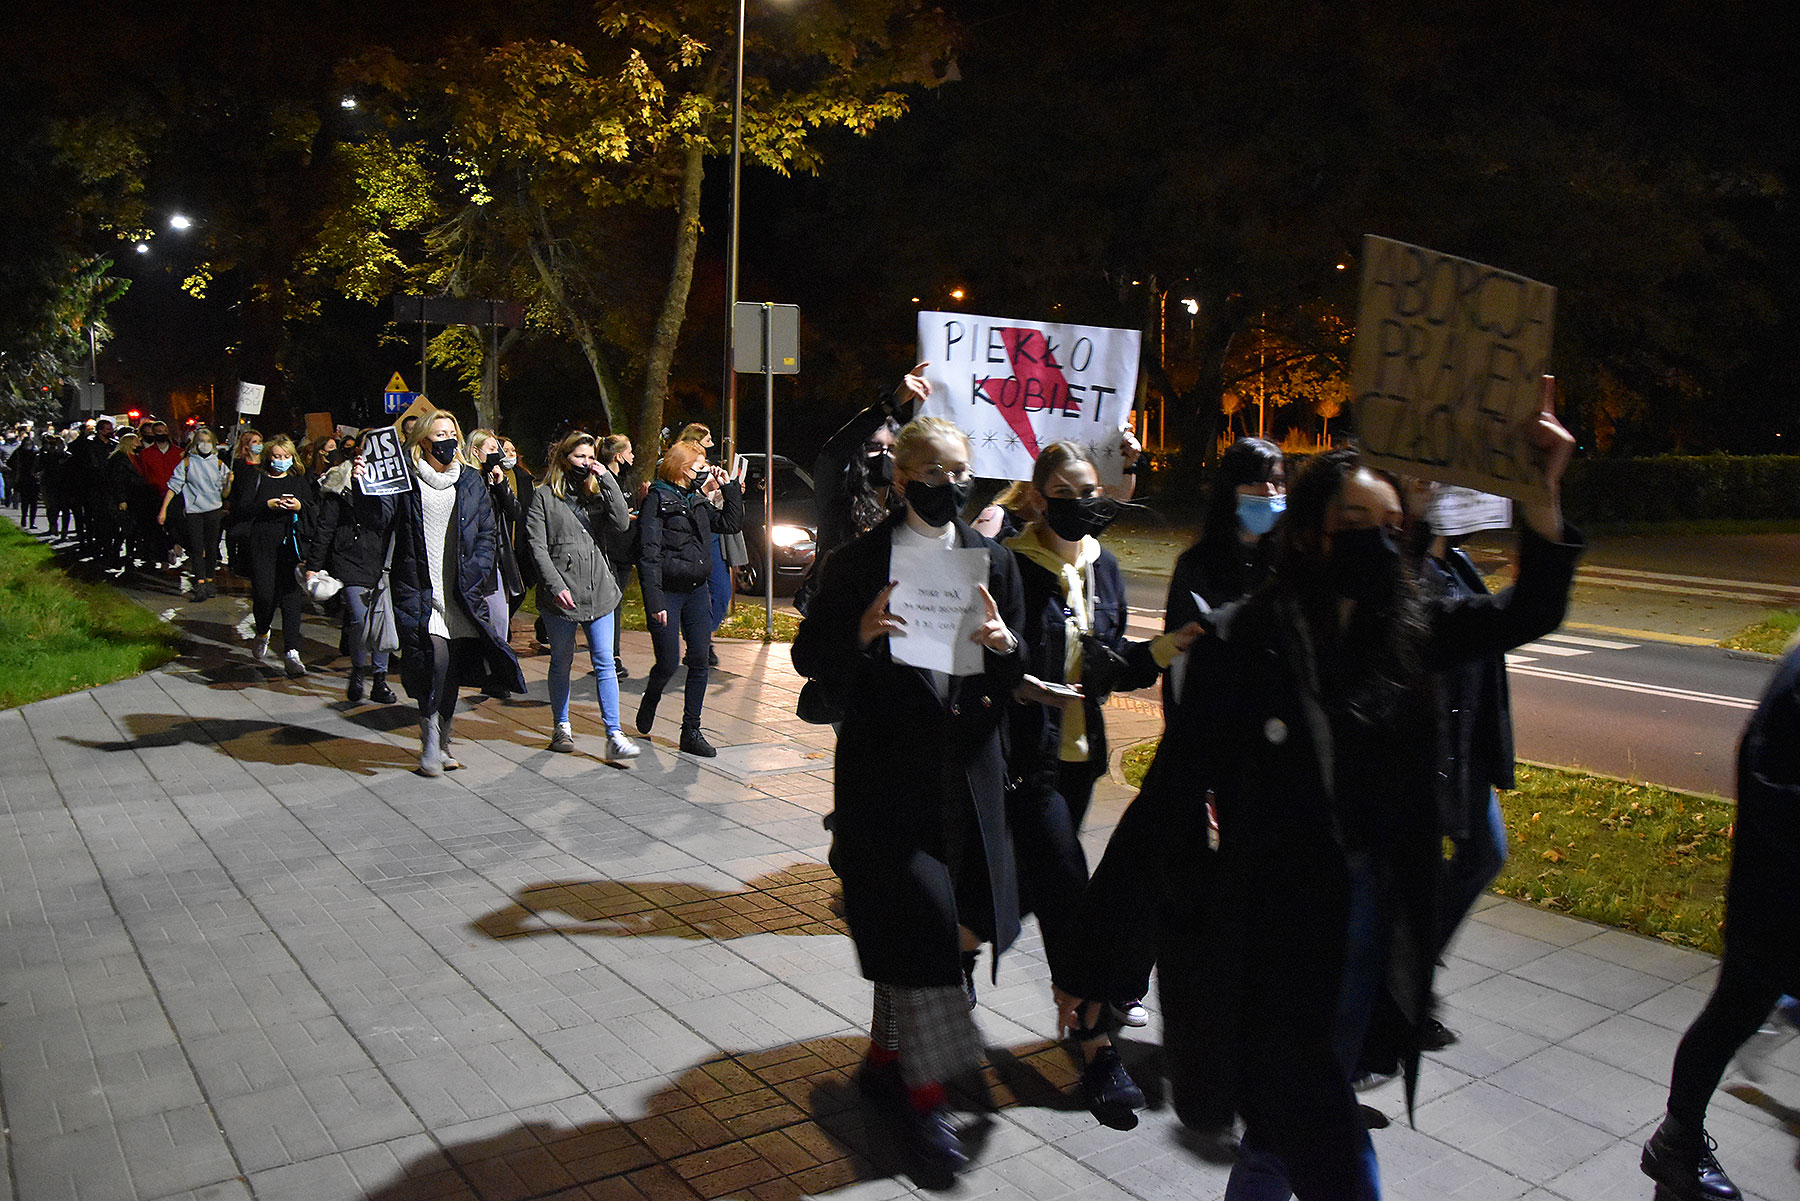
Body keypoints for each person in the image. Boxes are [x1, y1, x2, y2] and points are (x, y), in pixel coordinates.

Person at [1064, 407, 1582, 1201]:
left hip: (1371, 914)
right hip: (1275, 927)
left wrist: (1542, 500)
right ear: (1310, 535)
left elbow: (1529, 611)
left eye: (1391, 525)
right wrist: (1094, 962)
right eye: (1356, 523)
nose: (1378, 541)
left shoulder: (1406, 631)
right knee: (1323, 1124)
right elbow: (1167, 798)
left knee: (1289, 1119)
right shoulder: (1244, 642)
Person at [791, 415, 1027, 1177]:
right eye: (933, 472)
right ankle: (924, 1099)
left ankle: (886, 1057)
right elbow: (809, 657)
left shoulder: (993, 560)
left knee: (948, 932)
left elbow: (1015, 666)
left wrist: (1005, 647)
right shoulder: (859, 561)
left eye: (960, 471)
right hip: (888, 783)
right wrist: (859, 635)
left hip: (967, 782)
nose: (949, 485)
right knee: (921, 927)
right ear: (900, 478)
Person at [1002, 440, 1201, 1114]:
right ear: (1037, 497)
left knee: (1028, 882)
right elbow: (995, 667)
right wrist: (1023, 679)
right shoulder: (1008, 566)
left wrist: (1171, 646)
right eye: (1066, 490)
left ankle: (961, 943)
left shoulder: (1105, 566)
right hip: (1029, 761)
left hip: (1082, 759)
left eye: (1090, 489)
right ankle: (1092, 1041)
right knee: (1068, 891)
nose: (1082, 501)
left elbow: (1112, 665)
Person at [1641, 634, 1800, 1201]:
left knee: (1737, 1011)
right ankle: (1676, 1143)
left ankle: (1676, 1143)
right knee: (1734, 1011)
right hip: (1777, 897)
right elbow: (1775, 791)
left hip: (1774, 892)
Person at [389, 410, 524, 776]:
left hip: (461, 593)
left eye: (452, 433)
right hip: (421, 589)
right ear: (422, 440)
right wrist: (363, 486)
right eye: (439, 434)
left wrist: (478, 568)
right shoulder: (406, 479)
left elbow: (486, 531)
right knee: (435, 660)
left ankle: (443, 741)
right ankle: (430, 738)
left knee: (451, 670)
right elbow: (381, 521)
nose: (447, 440)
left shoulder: (468, 480)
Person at [525, 431, 639, 760]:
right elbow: (537, 546)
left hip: (599, 590)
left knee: (605, 662)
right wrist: (555, 585)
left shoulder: (596, 492)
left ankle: (614, 733)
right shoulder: (544, 496)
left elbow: (621, 523)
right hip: (561, 596)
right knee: (561, 661)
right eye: (580, 457)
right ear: (565, 459)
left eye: (590, 457)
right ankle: (561, 725)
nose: (586, 463)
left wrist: (607, 480)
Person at [634, 439, 743, 757]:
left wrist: (729, 489)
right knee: (668, 662)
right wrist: (654, 601)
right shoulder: (657, 499)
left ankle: (691, 730)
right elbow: (648, 554)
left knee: (699, 660)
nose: (704, 471)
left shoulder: (696, 500)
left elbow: (730, 523)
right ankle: (652, 696)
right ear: (682, 469)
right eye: (699, 467)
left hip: (696, 590)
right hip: (668, 591)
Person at [306, 430, 400, 704]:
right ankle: (359, 669)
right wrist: (314, 565)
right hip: (350, 558)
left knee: (381, 619)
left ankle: (379, 679)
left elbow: (390, 520)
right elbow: (326, 526)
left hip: (384, 559)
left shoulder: (393, 481)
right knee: (361, 619)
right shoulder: (340, 479)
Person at [237, 434, 314, 676]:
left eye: (286, 456)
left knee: (291, 598)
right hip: (261, 543)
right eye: (277, 456)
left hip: (290, 545)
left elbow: (312, 508)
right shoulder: (256, 477)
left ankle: (292, 651)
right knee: (264, 595)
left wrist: (299, 506)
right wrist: (266, 505)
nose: (281, 460)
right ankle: (262, 630)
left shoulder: (298, 481)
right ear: (268, 457)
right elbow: (242, 508)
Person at [465, 430, 525, 695]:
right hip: (473, 559)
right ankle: (479, 671)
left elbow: (515, 512)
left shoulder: (496, 478)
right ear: (475, 451)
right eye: (490, 449)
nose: (496, 455)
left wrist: (500, 485)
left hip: (496, 560)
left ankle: (496, 674)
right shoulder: (467, 479)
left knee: (499, 618)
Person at [159, 425, 231, 600]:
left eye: (208, 441)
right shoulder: (187, 463)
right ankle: (199, 581)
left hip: (213, 510)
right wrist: (163, 510)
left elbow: (224, 493)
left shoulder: (219, 464)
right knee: (197, 547)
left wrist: (228, 482)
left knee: (212, 547)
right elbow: (173, 487)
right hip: (194, 511)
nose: (205, 444)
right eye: (201, 441)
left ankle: (210, 579)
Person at [597, 434, 636, 677]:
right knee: (612, 603)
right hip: (609, 549)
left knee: (617, 601)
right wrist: (620, 516)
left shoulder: (625, 480)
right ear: (619, 456)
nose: (633, 456)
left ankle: (612, 653)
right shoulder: (601, 480)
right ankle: (611, 655)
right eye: (629, 452)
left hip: (625, 550)